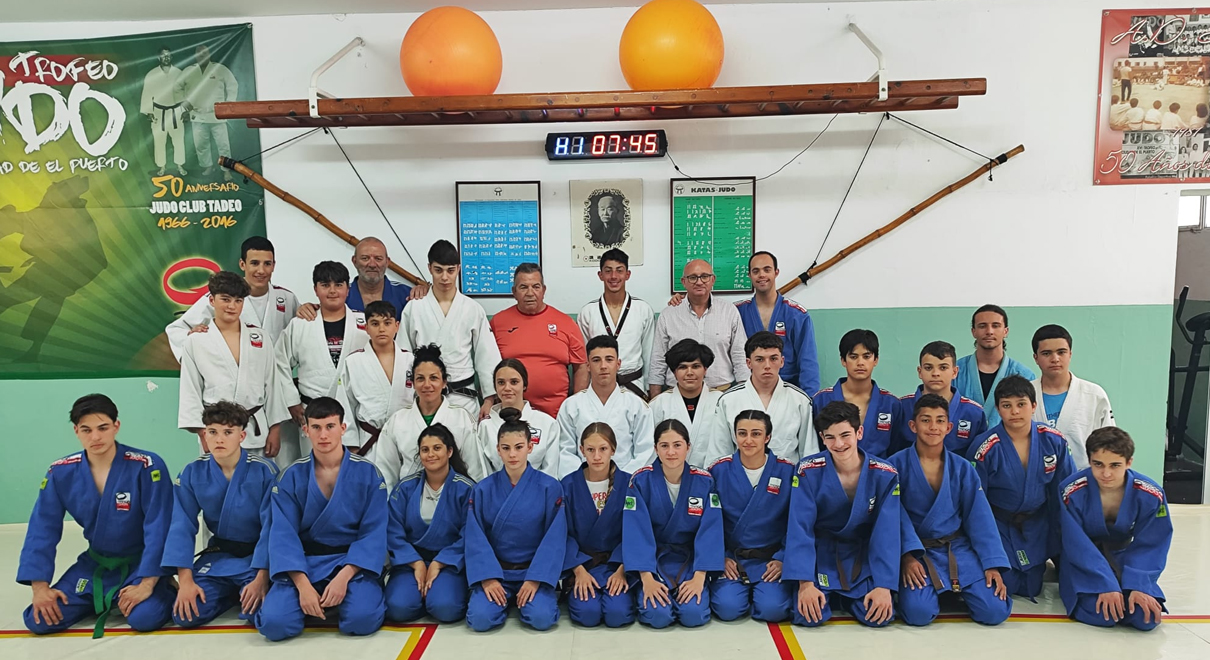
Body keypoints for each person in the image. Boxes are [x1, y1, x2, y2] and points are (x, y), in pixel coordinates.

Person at [19, 394, 174, 636]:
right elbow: (42, 529)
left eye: (103, 428)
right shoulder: (60, 472)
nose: (95, 437)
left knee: (144, 618)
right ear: (76, 431)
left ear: (116, 426)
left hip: (141, 565)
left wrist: (148, 582)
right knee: (39, 620)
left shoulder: (147, 465)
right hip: (95, 564)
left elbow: (159, 525)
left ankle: (164, 586)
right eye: (86, 430)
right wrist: (40, 587)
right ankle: (104, 596)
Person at [255, 397, 388, 641]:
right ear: (305, 431)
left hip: (350, 562)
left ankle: (337, 598)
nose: (323, 435)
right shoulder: (290, 476)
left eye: (330, 426)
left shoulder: (368, 473)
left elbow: (374, 533)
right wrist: (302, 585)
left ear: (343, 428)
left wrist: (344, 577)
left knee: (362, 620)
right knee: (274, 624)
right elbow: (283, 535)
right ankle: (313, 600)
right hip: (303, 563)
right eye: (316, 427)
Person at [889, 394, 1011, 627]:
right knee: (918, 614)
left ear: (949, 427)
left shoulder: (963, 468)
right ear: (913, 426)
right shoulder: (895, 466)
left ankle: (955, 589)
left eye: (939, 420)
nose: (933, 427)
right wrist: (906, 557)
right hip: (918, 553)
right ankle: (935, 592)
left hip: (957, 549)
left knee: (995, 611)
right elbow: (892, 518)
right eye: (925, 420)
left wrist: (991, 564)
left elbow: (980, 518)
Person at [783, 401, 900, 628]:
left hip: (861, 554)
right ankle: (829, 591)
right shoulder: (807, 470)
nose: (838, 444)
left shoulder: (885, 473)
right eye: (830, 437)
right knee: (808, 617)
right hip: (821, 554)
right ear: (822, 437)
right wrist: (805, 583)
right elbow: (800, 527)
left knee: (878, 617)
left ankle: (846, 596)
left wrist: (884, 585)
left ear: (859, 432)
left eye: (845, 435)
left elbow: (887, 532)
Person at [163, 402, 277, 629]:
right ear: (204, 435)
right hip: (220, 557)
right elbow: (180, 526)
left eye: (228, 432)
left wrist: (262, 577)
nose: (219, 439)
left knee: (267, 616)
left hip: (256, 560)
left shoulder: (265, 471)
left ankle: (244, 591)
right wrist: (185, 581)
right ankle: (230, 594)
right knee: (186, 615)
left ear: (242, 435)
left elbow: (272, 527)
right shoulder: (191, 472)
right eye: (213, 432)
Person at [966, 375, 1075, 599]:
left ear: (1034, 406)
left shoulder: (1053, 441)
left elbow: (1065, 493)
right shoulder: (984, 447)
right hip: (999, 525)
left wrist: (1062, 538)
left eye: (1021, 404)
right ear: (998, 408)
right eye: (1007, 405)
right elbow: (975, 504)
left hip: (1036, 524)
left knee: (1031, 586)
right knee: (1008, 581)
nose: (1015, 411)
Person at [464, 408, 568, 632]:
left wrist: (535, 579)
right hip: (496, 572)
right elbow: (475, 538)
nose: (513, 454)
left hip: (533, 572)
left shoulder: (550, 487)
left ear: (530, 448)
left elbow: (555, 539)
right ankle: (496, 593)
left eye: (519, 447)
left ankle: (536, 595)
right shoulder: (482, 490)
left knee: (542, 619)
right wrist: (488, 578)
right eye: (506, 448)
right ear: (498, 451)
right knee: (480, 620)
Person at [1058, 428, 1171, 631]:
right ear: (1089, 460)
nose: (1106, 473)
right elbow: (1075, 543)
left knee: (1145, 618)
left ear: (1129, 462)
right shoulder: (1071, 490)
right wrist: (1104, 583)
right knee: (1102, 613)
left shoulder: (1150, 493)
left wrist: (1139, 585)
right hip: (1084, 561)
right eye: (1098, 464)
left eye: (1115, 465)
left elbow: (1153, 542)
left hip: (1124, 556)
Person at [622, 419, 724, 628]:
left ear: (688, 447)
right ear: (655, 448)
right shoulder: (640, 481)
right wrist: (646, 578)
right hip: (653, 561)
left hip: (691, 561)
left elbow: (710, 531)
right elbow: (635, 532)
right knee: (658, 617)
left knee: (693, 615)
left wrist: (699, 577)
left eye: (677, 445)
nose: (671, 452)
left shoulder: (704, 481)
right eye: (664, 446)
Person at [178, 271, 287, 460]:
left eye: (238, 300)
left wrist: (275, 429)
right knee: (217, 485)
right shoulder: (195, 341)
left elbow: (272, 385)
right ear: (212, 301)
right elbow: (190, 389)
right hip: (215, 431)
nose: (232, 306)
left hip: (255, 430)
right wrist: (202, 433)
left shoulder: (260, 338)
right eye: (225, 299)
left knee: (257, 484)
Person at [708, 410, 796, 623]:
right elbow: (708, 522)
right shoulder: (717, 471)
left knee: (772, 610)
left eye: (756, 434)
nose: (748, 440)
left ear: (767, 438)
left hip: (770, 561)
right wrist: (719, 556)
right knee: (727, 609)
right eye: (742, 433)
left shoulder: (788, 472)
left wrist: (784, 558)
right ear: (734, 436)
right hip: (733, 559)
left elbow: (797, 522)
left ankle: (763, 593)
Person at [275, 261, 369, 461]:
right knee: (314, 473)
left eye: (338, 285)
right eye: (325, 285)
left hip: (353, 414)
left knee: (351, 476)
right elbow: (279, 362)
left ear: (348, 288)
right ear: (315, 289)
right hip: (312, 412)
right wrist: (292, 402)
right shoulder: (300, 324)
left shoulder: (365, 324)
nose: (332, 291)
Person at [384, 424, 476, 623]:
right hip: (410, 562)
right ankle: (418, 597)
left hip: (450, 564)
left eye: (437, 448)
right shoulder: (405, 488)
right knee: (398, 608)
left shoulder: (466, 489)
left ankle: (439, 594)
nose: (430, 454)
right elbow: (393, 531)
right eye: (425, 450)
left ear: (449, 451)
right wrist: (416, 563)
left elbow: (470, 534)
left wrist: (439, 563)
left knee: (446, 608)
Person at [398, 240, 500, 412]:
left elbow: (487, 356)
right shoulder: (414, 308)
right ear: (429, 268)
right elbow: (403, 358)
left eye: (450, 270)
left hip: (464, 397)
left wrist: (489, 399)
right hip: (425, 396)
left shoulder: (472, 309)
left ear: (458, 269)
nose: (445, 277)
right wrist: (405, 399)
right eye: (438, 270)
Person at [165, 236, 298, 361]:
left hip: (279, 377)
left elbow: (302, 333)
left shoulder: (287, 298)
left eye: (267, 264)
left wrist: (309, 309)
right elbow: (176, 330)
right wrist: (192, 338)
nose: (261, 270)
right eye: (254, 263)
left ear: (274, 265)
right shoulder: (222, 297)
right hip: (236, 375)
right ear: (242, 264)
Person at [376, 345, 485, 487]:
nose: (427, 385)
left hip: (453, 498)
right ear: (413, 383)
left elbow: (475, 468)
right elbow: (386, 472)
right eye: (420, 379)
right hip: (408, 499)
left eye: (433, 378)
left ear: (444, 382)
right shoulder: (397, 421)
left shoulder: (461, 418)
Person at [561, 423, 636, 628]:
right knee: (588, 614)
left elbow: (636, 532)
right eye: (590, 450)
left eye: (603, 449)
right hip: (583, 565)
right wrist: (577, 570)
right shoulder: (567, 486)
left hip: (617, 565)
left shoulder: (630, 484)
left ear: (613, 449)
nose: (596, 456)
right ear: (581, 450)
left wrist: (622, 568)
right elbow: (560, 533)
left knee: (618, 614)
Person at [489, 263, 587, 417]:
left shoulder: (566, 323)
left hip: (557, 414)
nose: (530, 293)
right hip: (510, 415)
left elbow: (581, 367)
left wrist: (576, 405)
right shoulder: (497, 322)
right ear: (514, 292)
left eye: (536, 286)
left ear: (544, 290)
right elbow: (487, 365)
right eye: (523, 287)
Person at [709, 331, 816, 465]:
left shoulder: (800, 400)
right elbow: (719, 453)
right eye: (759, 359)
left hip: (787, 479)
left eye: (773, 359)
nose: (767, 366)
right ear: (748, 363)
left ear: (782, 361)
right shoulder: (728, 400)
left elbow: (809, 452)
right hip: (741, 480)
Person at [648, 259, 749, 398]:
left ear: (713, 280)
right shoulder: (669, 314)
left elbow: (739, 354)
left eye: (705, 277)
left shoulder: (729, 311)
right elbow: (658, 359)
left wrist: (744, 392)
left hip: (722, 392)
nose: (699, 282)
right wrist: (655, 397)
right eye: (693, 277)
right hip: (677, 394)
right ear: (683, 282)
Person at [557, 335, 655, 478]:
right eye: (596, 360)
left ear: (618, 364)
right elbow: (564, 451)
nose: (603, 366)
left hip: (626, 484)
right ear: (588, 366)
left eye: (609, 359)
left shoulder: (636, 405)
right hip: (583, 484)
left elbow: (645, 451)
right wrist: (583, 480)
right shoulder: (571, 406)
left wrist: (623, 480)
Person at [1030, 324, 1116, 469]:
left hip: (1083, 479)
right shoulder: (1025, 395)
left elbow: (1109, 443)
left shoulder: (1094, 394)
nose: (1055, 359)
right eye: (1046, 353)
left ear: (1070, 354)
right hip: (1036, 479)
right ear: (1036, 358)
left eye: (1061, 352)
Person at [337, 301, 414, 460]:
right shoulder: (353, 362)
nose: (381, 329)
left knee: (407, 482)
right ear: (366, 328)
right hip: (369, 441)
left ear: (397, 326)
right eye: (374, 323)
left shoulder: (411, 360)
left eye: (387, 323)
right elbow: (344, 404)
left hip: (407, 438)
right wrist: (351, 443)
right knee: (372, 482)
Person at [735, 251, 820, 393]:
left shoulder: (797, 314)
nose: (761, 275)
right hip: (748, 390)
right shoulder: (737, 312)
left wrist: (809, 399)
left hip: (788, 389)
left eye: (767, 270)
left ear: (776, 272)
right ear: (749, 275)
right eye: (756, 271)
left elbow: (808, 361)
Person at [577, 249, 655, 399]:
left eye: (619, 271)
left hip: (634, 386)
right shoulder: (588, 312)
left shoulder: (643, 310)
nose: (614, 276)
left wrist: (649, 389)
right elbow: (584, 360)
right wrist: (582, 394)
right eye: (608, 271)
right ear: (600, 275)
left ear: (628, 274)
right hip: (598, 387)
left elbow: (649, 353)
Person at [812, 329, 900, 458]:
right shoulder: (821, 400)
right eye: (853, 357)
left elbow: (896, 450)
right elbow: (814, 446)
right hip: (831, 473)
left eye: (866, 356)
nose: (860, 363)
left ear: (876, 360)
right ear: (843, 360)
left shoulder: (891, 404)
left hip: (878, 475)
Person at [296, 237, 425, 322]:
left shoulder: (406, 295)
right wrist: (307, 309)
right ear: (354, 261)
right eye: (365, 258)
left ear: (387, 262)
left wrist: (428, 292)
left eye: (378, 259)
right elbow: (322, 313)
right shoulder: (340, 295)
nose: (372, 264)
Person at [896, 341, 987, 456]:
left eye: (943, 367)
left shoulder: (974, 413)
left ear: (954, 372)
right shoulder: (901, 407)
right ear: (920, 372)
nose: (935, 373)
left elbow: (979, 457)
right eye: (929, 368)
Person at [478, 359, 562, 478]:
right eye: (501, 382)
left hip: (539, 493)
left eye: (514, 382)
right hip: (496, 494)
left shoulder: (547, 423)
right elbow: (484, 471)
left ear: (524, 385)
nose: (507, 388)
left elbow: (550, 471)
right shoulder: (485, 426)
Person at [956, 304, 1036, 426]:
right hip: (964, 444)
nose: (989, 331)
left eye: (996, 326)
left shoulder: (1024, 375)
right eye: (982, 326)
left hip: (1007, 444)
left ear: (1005, 331)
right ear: (974, 332)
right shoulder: (955, 372)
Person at [649, 339, 724, 468]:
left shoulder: (721, 401)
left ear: (705, 369)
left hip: (714, 475)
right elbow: (650, 447)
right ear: (674, 372)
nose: (689, 372)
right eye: (683, 367)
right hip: (670, 476)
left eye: (696, 366)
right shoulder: (659, 404)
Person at [179, 44, 238, 180]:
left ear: (210, 54)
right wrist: (184, 102)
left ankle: (226, 170)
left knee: (223, 144)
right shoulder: (189, 70)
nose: (202, 55)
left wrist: (228, 105)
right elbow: (177, 88)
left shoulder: (219, 69)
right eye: (198, 53)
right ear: (195, 56)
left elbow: (232, 85)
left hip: (217, 113)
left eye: (204, 53)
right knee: (201, 144)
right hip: (197, 114)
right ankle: (207, 166)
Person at [141, 46, 186, 176]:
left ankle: (179, 165)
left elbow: (185, 93)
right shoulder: (152, 74)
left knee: (178, 140)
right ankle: (162, 167)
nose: (166, 57)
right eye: (163, 55)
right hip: (158, 112)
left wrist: (184, 110)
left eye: (168, 55)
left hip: (176, 111)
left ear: (171, 57)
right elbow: (147, 93)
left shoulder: (179, 73)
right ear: (158, 57)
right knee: (159, 141)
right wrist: (149, 111)